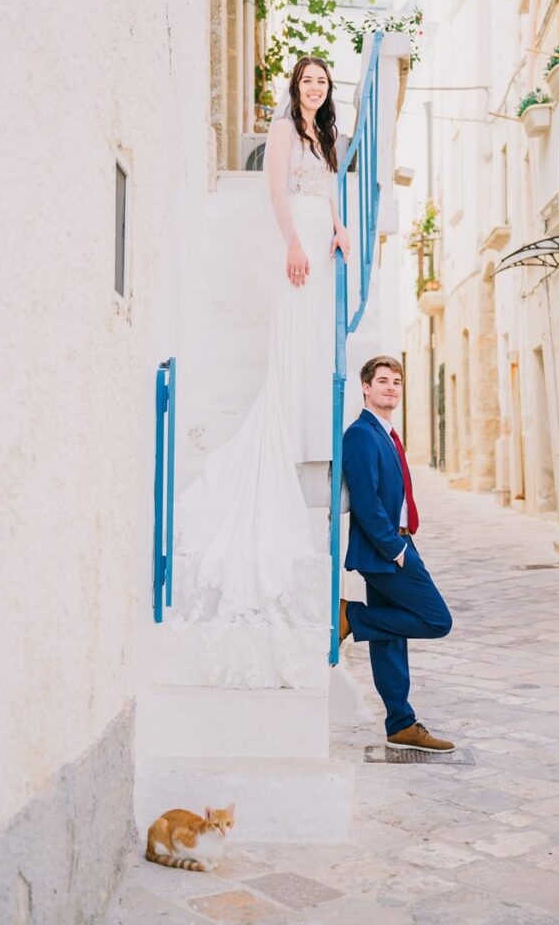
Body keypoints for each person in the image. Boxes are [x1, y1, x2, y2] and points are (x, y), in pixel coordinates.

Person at [171, 57, 350, 687]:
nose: (313, 89)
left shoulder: (327, 136)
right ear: (295, 87)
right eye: (307, 80)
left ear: (328, 92)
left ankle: (306, 428)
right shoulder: (281, 132)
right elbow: (278, 192)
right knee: (291, 340)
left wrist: (337, 229)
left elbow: (327, 191)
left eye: (322, 82)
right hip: (293, 244)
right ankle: (282, 430)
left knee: (316, 348)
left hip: (320, 242)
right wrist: (296, 244)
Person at [339, 356, 455, 751]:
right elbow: (365, 502)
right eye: (383, 381)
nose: (391, 387)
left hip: (400, 542)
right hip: (389, 549)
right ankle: (350, 615)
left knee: (390, 637)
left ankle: (400, 723)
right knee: (436, 619)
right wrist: (396, 550)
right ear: (366, 388)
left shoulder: (385, 433)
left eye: (397, 382)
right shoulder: (361, 434)